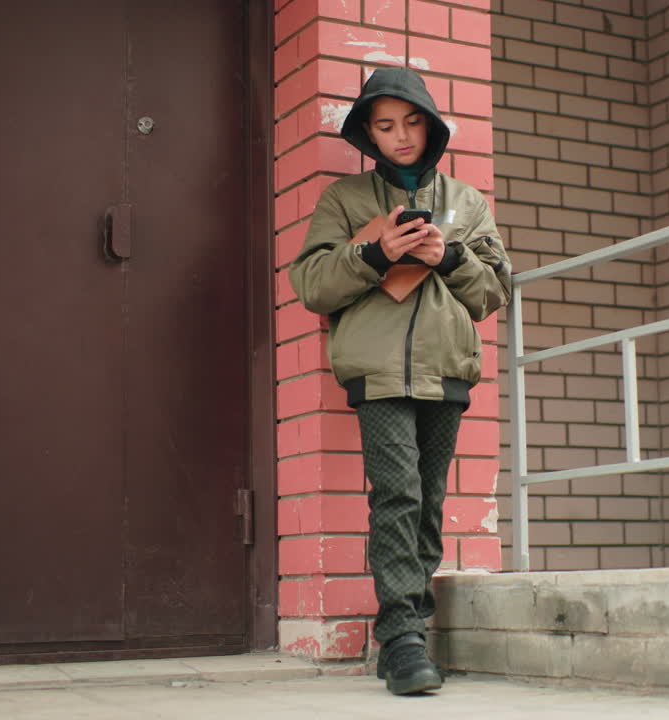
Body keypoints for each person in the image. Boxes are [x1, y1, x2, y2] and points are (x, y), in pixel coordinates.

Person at [289, 67, 512, 695]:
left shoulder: (468, 203)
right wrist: (375, 252)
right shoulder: (345, 199)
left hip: (446, 368)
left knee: (428, 503)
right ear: (369, 134)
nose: (400, 136)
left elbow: (496, 290)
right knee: (398, 494)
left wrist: (452, 256)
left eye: (412, 122)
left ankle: (406, 631)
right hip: (378, 371)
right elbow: (310, 284)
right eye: (385, 126)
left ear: (432, 126)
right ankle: (404, 637)